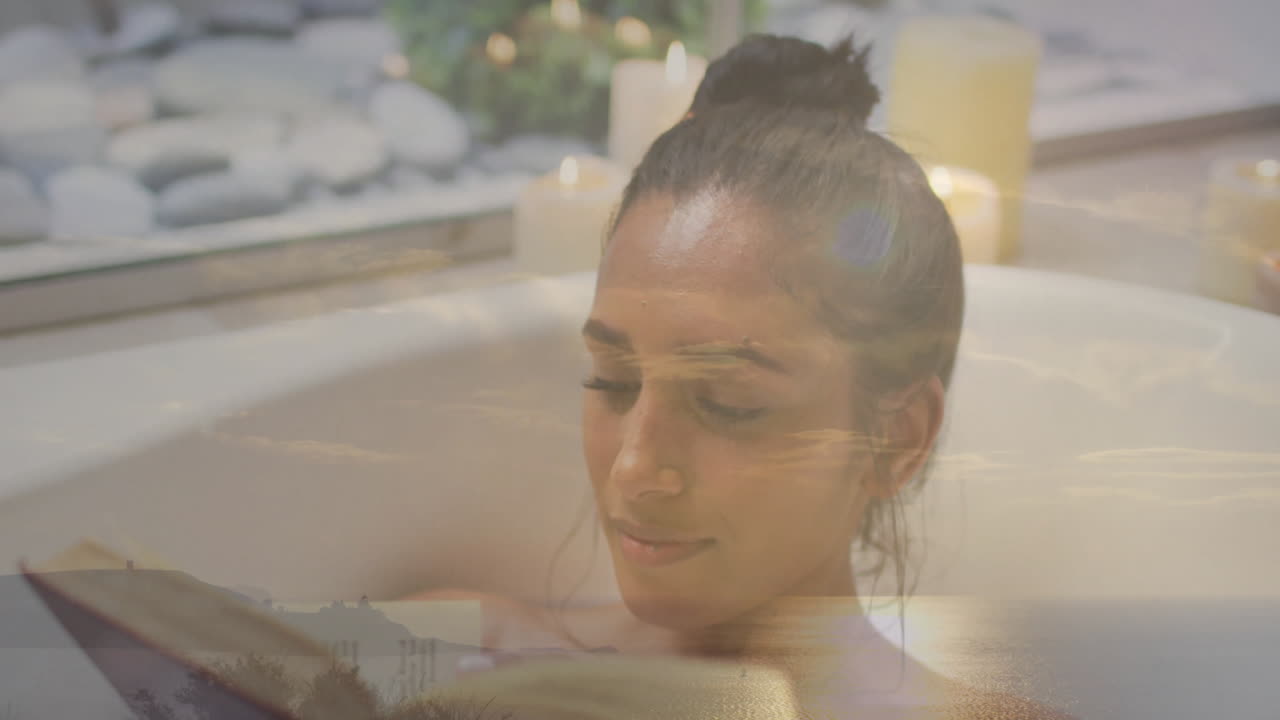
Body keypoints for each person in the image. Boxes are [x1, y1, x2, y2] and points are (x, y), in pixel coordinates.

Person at [410, 33, 1072, 720]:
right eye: (613, 380)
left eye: (727, 403)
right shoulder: (461, 657)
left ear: (897, 439)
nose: (635, 468)